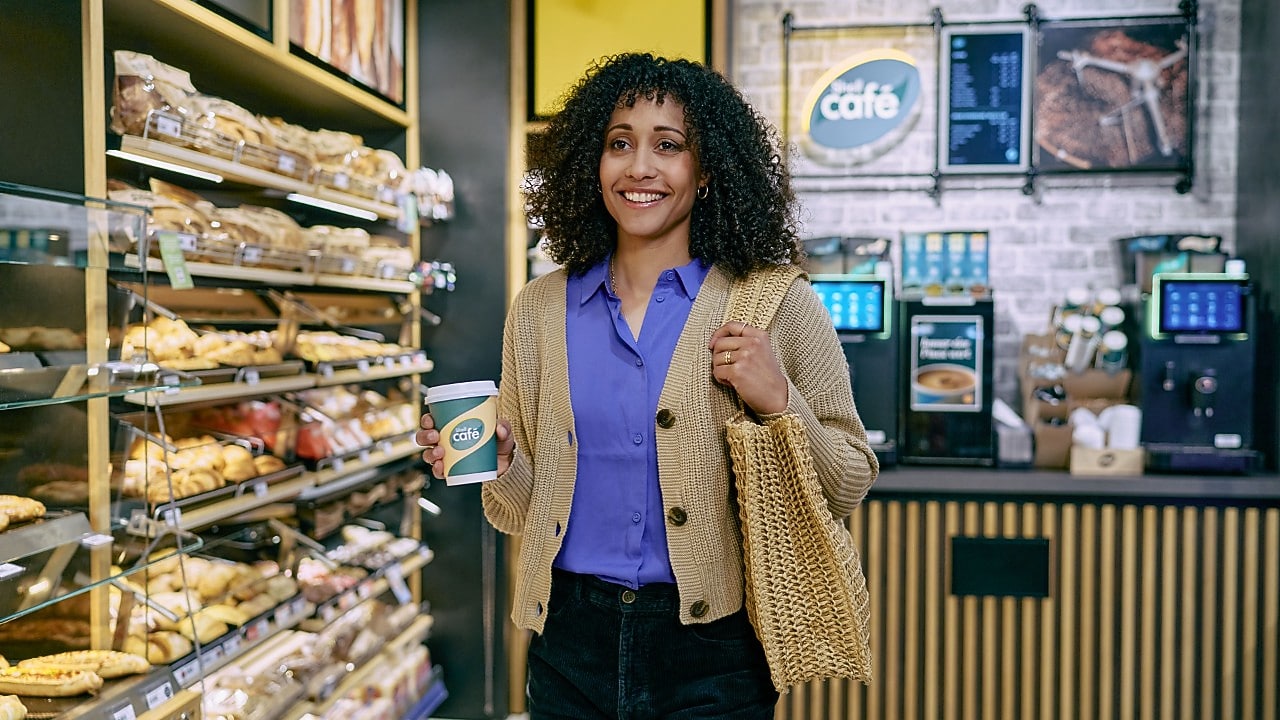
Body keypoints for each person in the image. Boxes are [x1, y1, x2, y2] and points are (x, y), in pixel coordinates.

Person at [417, 52, 878, 719]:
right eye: (619, 144)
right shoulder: (539, 309)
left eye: (668, 145)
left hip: (713, 654)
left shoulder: (774, 304)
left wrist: (782, 401)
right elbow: (516, 514)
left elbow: (848, 481)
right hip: (567, 643)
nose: (639, 167)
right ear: (592, 162)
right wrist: (505, 463)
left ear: (707, 168)